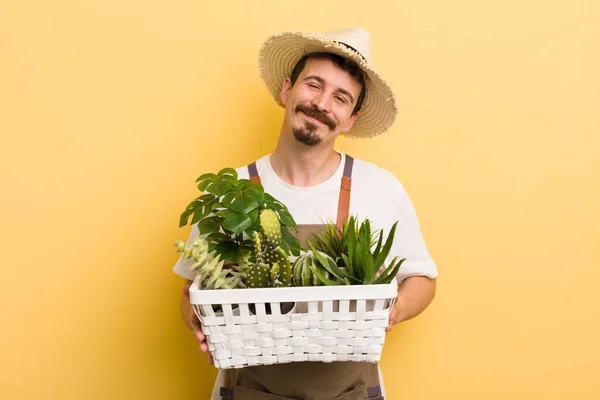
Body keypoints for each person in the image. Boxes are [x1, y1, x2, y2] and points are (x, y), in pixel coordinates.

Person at [174, 27, 438, 399]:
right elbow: (190, 293)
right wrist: (198, 320)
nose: (322, 104)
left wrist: (388, 312)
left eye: (341, 97)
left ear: (349, 119)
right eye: (314, 85)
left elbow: (424, 280)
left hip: (351, 391)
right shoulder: (230, 191)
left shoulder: (380, 188)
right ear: (287, 90)